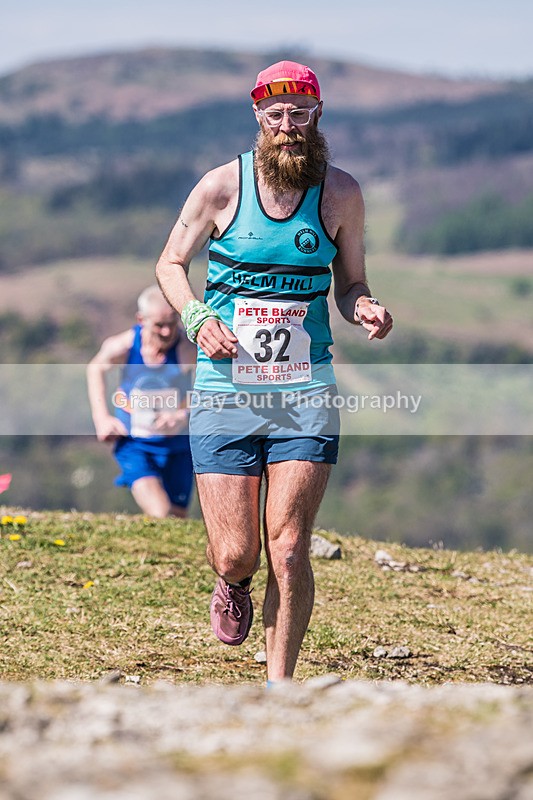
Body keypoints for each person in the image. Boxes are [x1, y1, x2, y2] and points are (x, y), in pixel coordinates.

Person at [156, 60, 393, 682]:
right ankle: (231, 582)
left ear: (318, 115)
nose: (288, 125)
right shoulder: (220, 187)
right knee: (239, 553)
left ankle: (279, 691)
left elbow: (352, 282)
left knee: (288, 549)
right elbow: (170, 264)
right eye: (276, 114)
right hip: (225, 386)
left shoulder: (340, 193)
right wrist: (197, 315)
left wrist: (362, 304)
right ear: (258, 116)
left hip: (304, 388)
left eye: (300, 113)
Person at [87, 285, 196, 518]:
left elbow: (209, 389)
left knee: (177, 518)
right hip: (134, 442)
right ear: (141, 319)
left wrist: (182, 414)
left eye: (172, 323)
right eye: (159, 325)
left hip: (177, 444)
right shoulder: (123, 346)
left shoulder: (188, 350)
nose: (167, 332)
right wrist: (102, 418)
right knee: (161, 512)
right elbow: (95, 369)